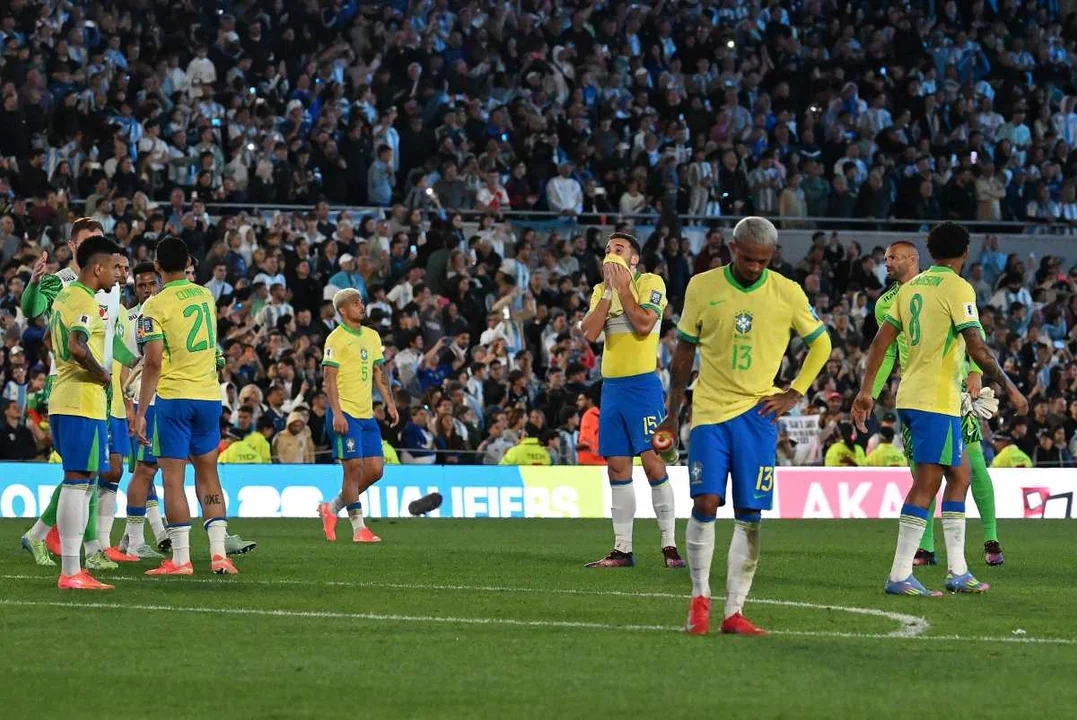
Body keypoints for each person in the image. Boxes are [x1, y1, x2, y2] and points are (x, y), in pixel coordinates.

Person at [658, 217, 832, 635]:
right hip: (710, 412)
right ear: (732, 248)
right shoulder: (702, 286)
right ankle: (699, 600)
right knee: (705, 502)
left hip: (757, 414)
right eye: (749, 259)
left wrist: (794, 392)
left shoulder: (787, 292)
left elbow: (822, 343)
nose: (755, 267)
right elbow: (683, 353)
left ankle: (734, 611)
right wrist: (672, 413)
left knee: (750, 513)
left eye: (763, 261)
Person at [852, 222, 1027, 597]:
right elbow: (977, 346)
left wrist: (866, 392)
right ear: (965, 252)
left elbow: (880, 344)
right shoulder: (957, 287)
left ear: (930, 253)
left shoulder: (909, 288)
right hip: (934, 400)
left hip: (915, 396)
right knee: (927, 484)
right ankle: (900, 574)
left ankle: (958, 571)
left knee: (961, 474)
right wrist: (1010, 388)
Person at [121, 261, 257, 559]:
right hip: (165, 399)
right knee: (147, 469)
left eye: (151, 283)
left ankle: (185, 549)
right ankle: (135, 540)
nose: (147, 289)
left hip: (171, 398)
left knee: (176, 473)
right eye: (141, 285)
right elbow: (127, 366)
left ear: (159, 277)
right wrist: (131, 407)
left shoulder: (159, 308)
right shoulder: (136, 317)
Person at [134, 236, 239, 575]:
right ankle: (219, 554)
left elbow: (153, 363)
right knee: (208, 473)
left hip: (175, 398)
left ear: (157, 266)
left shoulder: (154, 306)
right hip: (209, 396)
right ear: (188, 263)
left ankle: (181, 559)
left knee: (173, 479)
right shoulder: (205, 295)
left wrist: (140, 412)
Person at [579, 231, 682, 569]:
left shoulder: (651, 283)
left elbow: (643, 324)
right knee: (617, 467)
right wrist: (609, 291)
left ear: (633, 259)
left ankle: (669, 545)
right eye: (608, 248)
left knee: (653, 463)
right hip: (612, 389)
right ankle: (622, 549)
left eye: (619, 249)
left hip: (642, 387)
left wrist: (623, 288)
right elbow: (589, 332)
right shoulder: (600, 290)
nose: (611, 253)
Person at [20, 218, 116, 569]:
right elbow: (32, 312)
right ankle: (84, 550)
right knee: (80, 472)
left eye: (99, 238)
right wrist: (33, 284)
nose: (95, 244)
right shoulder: (62, 282)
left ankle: (80, 546)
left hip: (98, 384)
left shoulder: (109, 287)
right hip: (76, 383)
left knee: (88, 472)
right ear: (74, 246)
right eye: (89, 240)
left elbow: (111, 336)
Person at [50, 234, 125, 589]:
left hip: (67, 398)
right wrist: (103, 374)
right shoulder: (83, 299)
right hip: (80, 400)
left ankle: (74, 568)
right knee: (77, 481)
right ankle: (70, 571)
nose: (117, 274)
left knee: (82, 482)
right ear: (98, 268)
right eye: (113, 267)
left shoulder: (65, 296)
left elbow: (55, 341)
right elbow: (77, 346)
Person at [317, 288, 399, 543]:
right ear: (342, 310)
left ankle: (331, 508)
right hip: (345, 412)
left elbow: (379, 373)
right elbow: (329, 379)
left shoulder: (372, 336)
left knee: (375, 470)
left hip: (366, 414)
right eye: (355, 303)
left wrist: (390, 403)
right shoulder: (336, 338)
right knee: (352, 469)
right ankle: (359, 528)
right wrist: (337, 413)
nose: (361, 306)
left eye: (361, 301)